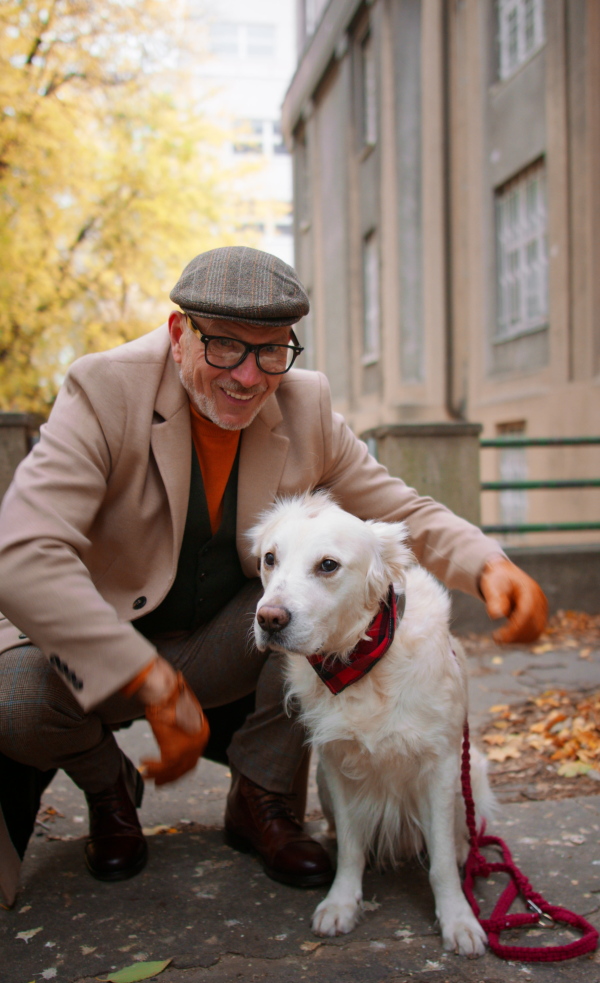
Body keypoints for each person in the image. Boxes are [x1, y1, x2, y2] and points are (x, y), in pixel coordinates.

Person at [0, 246, 547, 906]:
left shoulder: (305, 402)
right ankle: (107, 783)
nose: (249, 375)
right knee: (14, 703)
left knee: (312, 606)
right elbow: (22, 550)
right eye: (225, 346)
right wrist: (144, 679)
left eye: (271, 350)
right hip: (104, 641)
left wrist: (487, 565)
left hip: (221, 640)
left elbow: (397, 508)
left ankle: (259, 800)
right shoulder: (102, 389)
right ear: (180, 335)